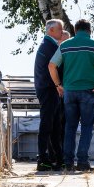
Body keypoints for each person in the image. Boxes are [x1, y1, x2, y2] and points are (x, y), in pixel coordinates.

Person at [49, 19, 94, 172]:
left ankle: (68, 163)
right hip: (89, 91)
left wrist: (58, 85)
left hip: (69, 91)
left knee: (70, 127)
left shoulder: (65, 45)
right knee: (87, 127)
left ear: (75, 30)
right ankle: (82, 162)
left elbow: (51, 65)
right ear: (89, 30)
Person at [33, 19, 66, 172]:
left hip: (47, 88)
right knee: (48, 124)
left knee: (54, 126)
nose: (62, 32)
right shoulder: (51, 46)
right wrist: (59, 85)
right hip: (49, 89)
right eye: (60, 29)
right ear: (51, 30)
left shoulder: (46, 45)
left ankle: (57, 158)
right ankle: (43, 159)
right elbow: (56, 68)